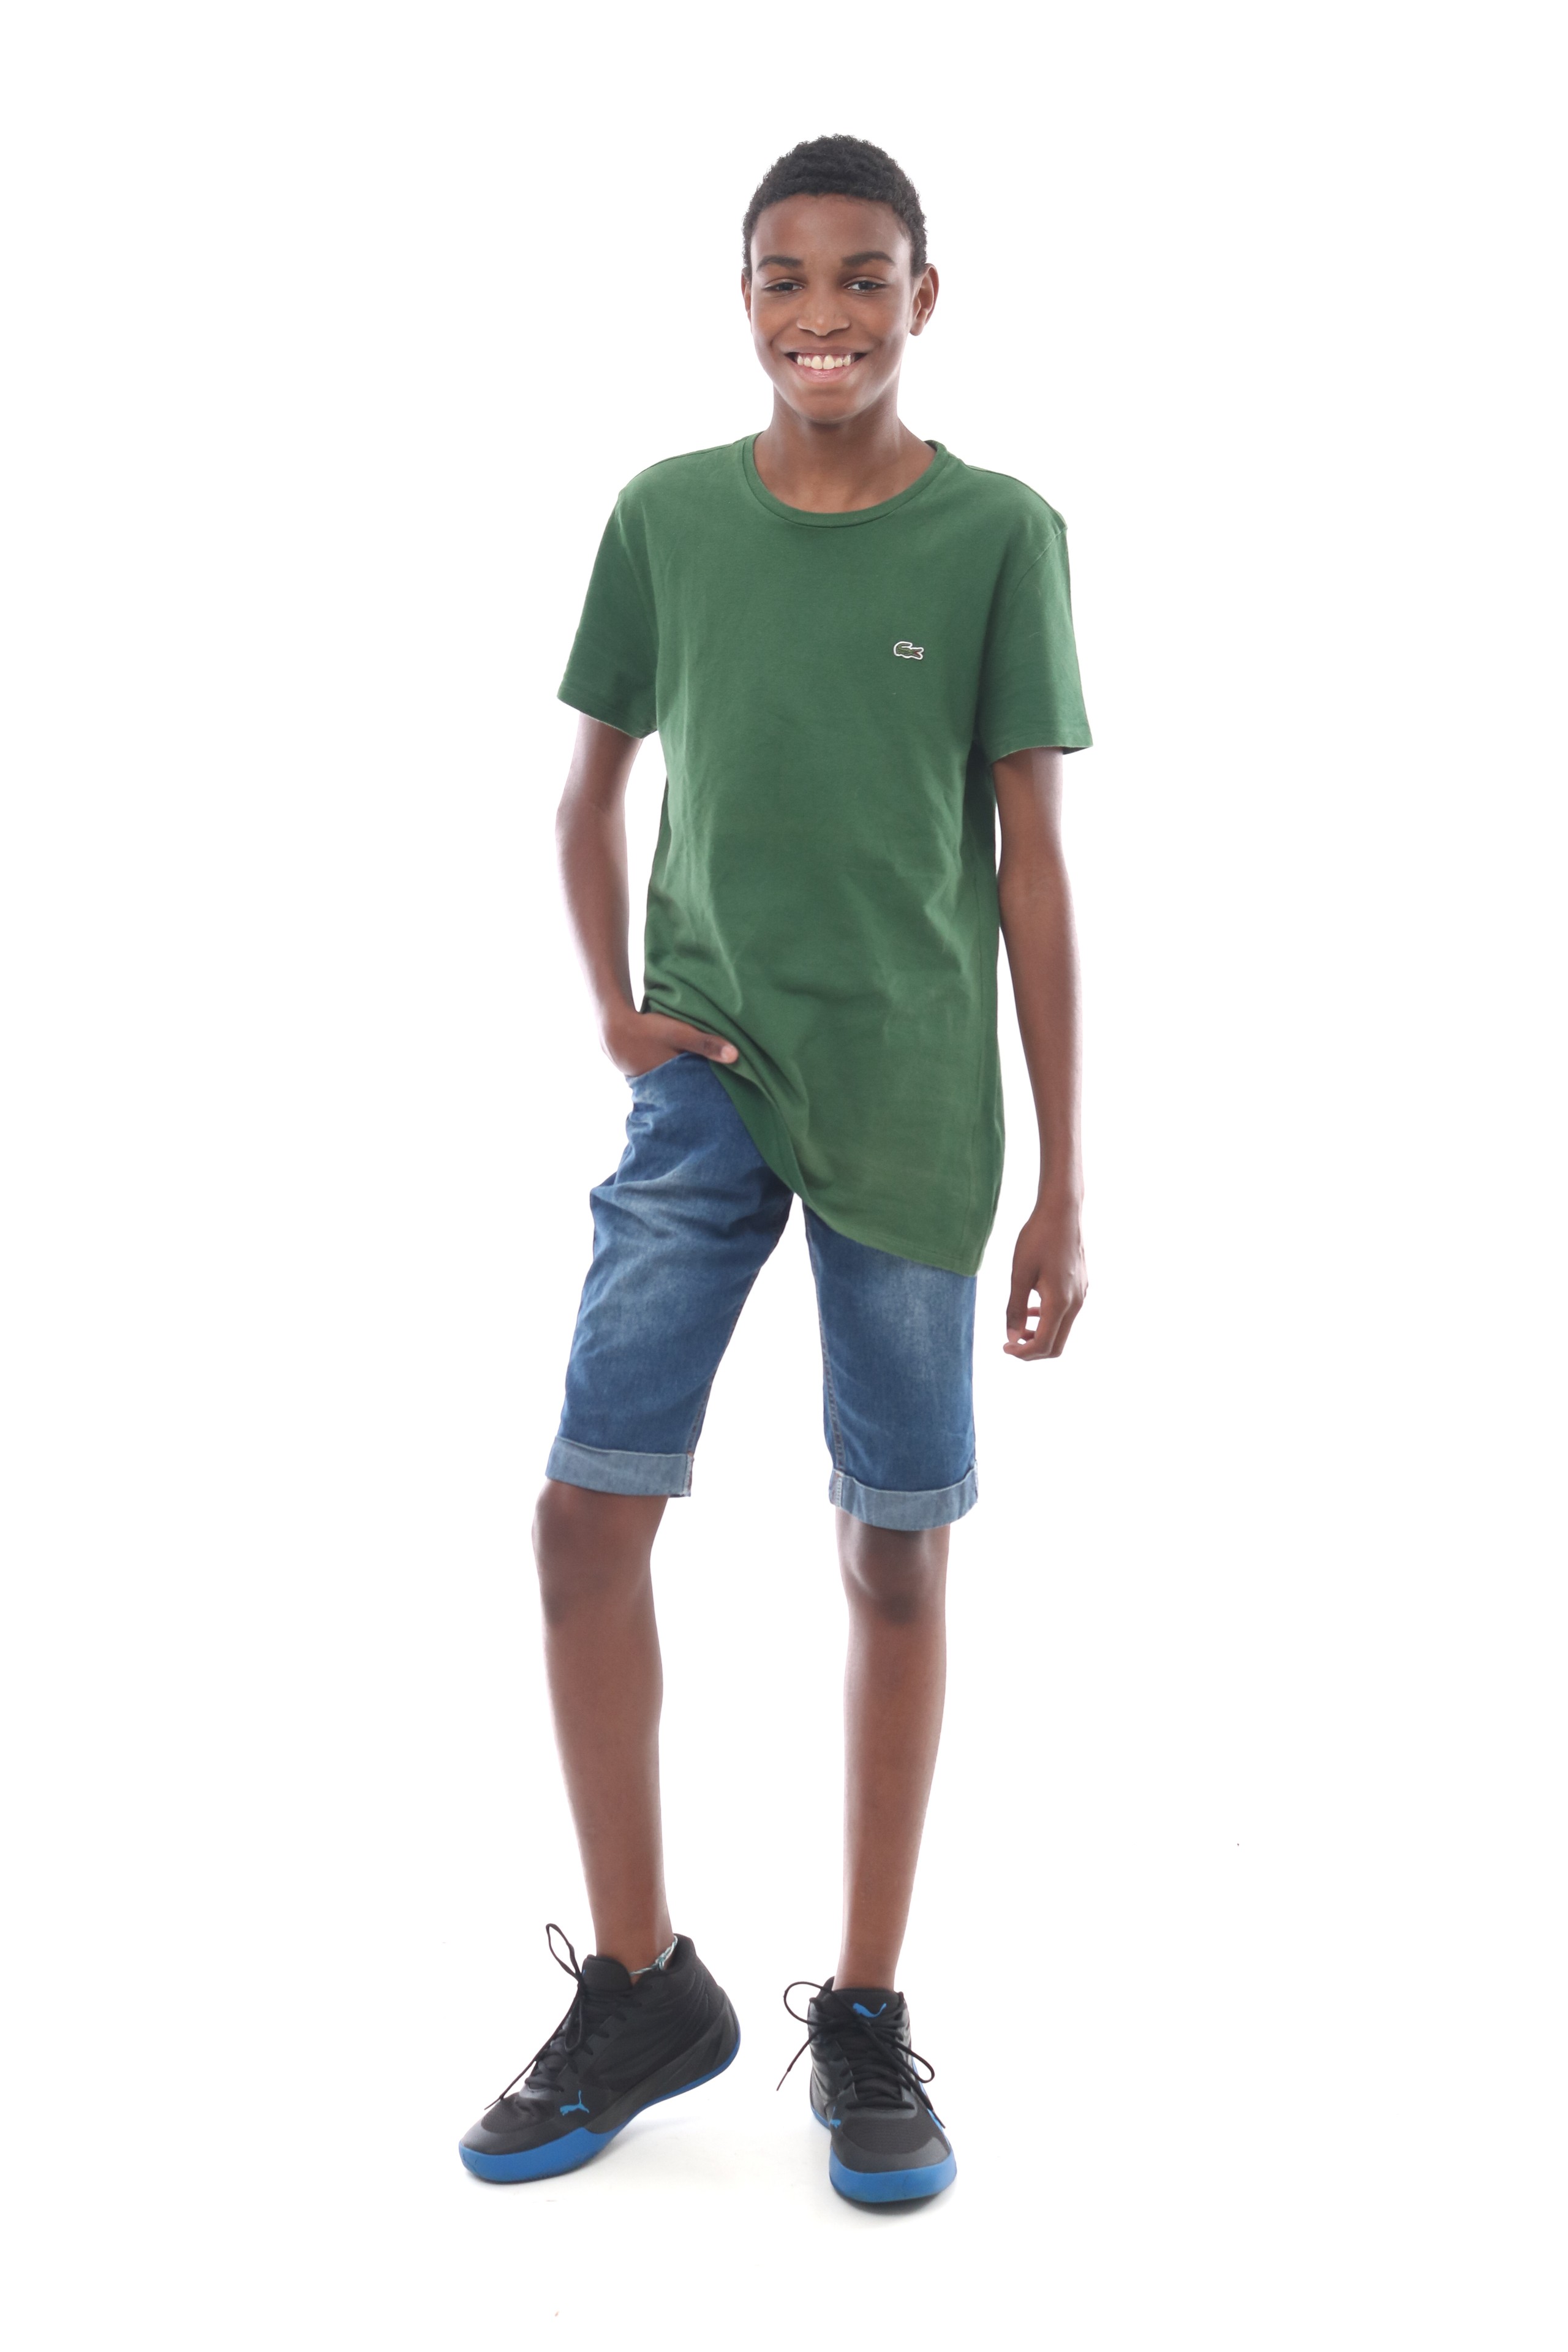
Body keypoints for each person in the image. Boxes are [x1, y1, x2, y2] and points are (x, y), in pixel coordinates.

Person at [458, 134, 1091, 2206]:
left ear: (925, 297)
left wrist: (1063, 1179)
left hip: (912, 1100)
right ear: (744, 299)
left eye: (865, 276)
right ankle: (642, 1984)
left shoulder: (1000, 534)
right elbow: (586, 796)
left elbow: (1034, 865)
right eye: (787, 278)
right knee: (584, 1514)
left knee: (896, 1548)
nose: (825, 313)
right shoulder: (666, 518)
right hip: (707, 1082)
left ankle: (869, 2013)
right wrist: (618, 1011)